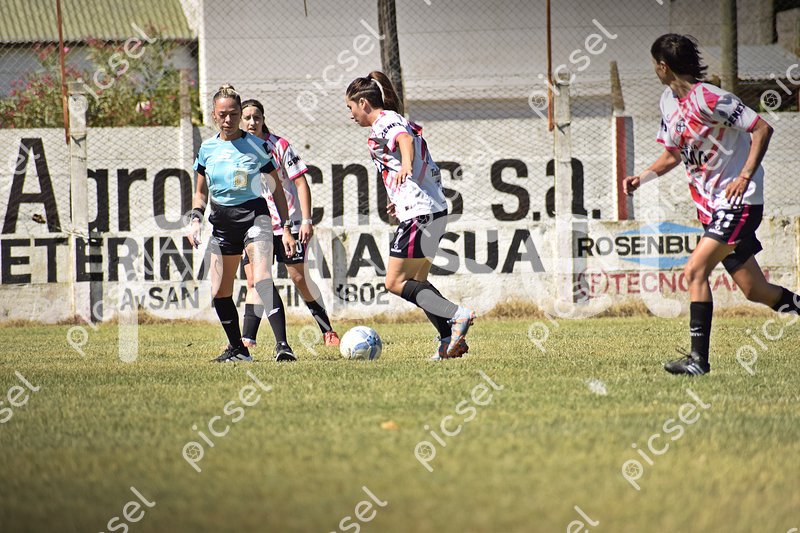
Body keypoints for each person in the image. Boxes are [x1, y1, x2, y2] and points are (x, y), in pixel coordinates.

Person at [624, 34, 800, 375]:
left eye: (654, 64)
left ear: (663, 66)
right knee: (755, 290)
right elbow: (672, 155)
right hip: (713, 210)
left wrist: (745, 175)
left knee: (694, 270)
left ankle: (697, 361)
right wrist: (641, 178)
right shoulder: (668, 102)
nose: (654, 69)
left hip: (739, 203)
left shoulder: (710, 98)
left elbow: (761, 129)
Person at [345, 71, 475, 360]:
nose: (350, 114)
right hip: (431, 209)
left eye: (350, 107)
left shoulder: (384, 121)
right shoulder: (392, 118)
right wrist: (400, 194)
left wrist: (406, 165)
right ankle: (447, 341)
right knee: (418, 280)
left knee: (394, 282)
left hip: (420, 213)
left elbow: (403, 140)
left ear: (363, 103)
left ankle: (457, 313)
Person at [188, 84, 299, 362]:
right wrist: (195, 218)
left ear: (239, 114)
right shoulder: (207, 149)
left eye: (233, 114)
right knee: (219, 291)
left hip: (255, 218)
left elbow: (276, 189)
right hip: (222, 223)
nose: (228, 120)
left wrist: (286, 227)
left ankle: (283, 346)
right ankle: (238, 349)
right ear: (214, 115)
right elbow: (200, 192)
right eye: (222, 114)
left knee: (261, 279)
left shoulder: (257, 147)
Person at [238, 98, 340, 348]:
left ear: (263, 119)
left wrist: (306, 220)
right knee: (254, 281)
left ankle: (327, 330)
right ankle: (247, 340)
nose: (252, 122)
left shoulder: (279, 146)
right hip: (256, 226)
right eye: (247, 118)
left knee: (299, 279)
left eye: (257, 117)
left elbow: (301, 183)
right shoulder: (237, 150)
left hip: (289, 224)